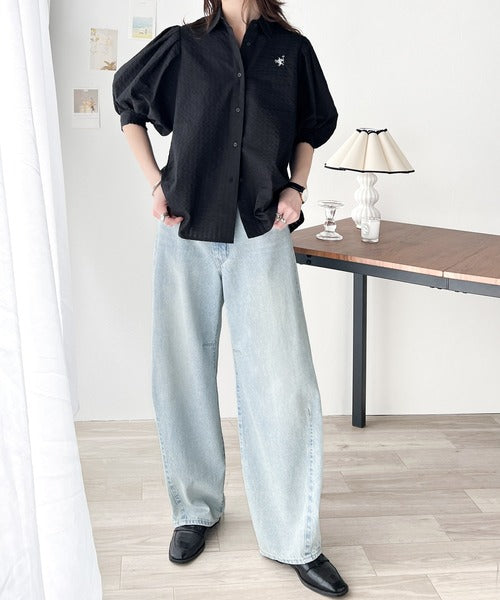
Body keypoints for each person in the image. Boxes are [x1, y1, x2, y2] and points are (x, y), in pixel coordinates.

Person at [112, 0, 349, 596]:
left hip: (261, 229)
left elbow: (310, 126)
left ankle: (294, 538)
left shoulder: (290, 49)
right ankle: (195, 510)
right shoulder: (183, 44)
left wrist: (296, 187)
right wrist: (156, 184)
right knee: (183, 373)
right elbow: (128, 104)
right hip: (186, 229)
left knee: (282, 383)